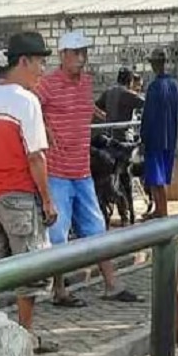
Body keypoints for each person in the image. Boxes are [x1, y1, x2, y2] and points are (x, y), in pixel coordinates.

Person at [35, 30, 142, 308]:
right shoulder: (47, 85)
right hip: (57, 170)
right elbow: (31, 103)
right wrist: (43, 125)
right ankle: (58, 289)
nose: (82, 58)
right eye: (76, 53)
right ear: (63, 55)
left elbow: (85, 108)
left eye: (84, 52)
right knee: (57, 234)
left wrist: (100, 115)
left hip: (81, 170)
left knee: (96, 229)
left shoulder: (86, 84)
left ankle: (111, 284)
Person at [0, 31, 58, 354]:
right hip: (21, 197)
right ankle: (25, 337)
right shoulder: (26, 101)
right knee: (29, 271)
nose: (41, 71)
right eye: (39, 63)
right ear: (23, 62)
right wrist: (48, 199)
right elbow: (36, 157)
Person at [140, 47, 178, 220]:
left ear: (155, 65)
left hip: (155, 139)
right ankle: (159, 210)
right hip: (171, 137)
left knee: (156, 178)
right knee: (162, 176)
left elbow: (148, 116)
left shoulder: (153, 88)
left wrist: (143, 138)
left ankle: (162, 212)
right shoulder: (177, 87)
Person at [96, 67, 144, 142]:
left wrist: (106, 118)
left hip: (109, 136)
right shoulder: (128, 94)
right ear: (130, 81)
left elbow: (97, 106)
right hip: (124, 137)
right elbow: (146, 103)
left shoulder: (108, 92)